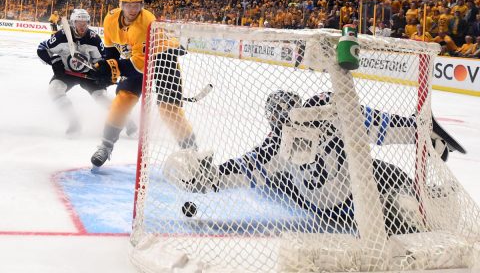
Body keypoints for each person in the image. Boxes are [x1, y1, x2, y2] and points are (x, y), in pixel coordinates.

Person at [169, 90, 464, 234]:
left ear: (272, 120)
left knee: (277, 179)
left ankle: (402, 201)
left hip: (327, 210)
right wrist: (417, 132)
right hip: (354, 196)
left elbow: (245, 171)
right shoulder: (328, 118)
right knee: (379, 166)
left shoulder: (274, 147)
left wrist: (205, 181)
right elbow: (376, 126)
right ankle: (415, 170)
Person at [89, 0, 198, 168]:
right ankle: (106, 146)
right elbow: (111, 53)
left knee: (168, 110)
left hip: (163, 58)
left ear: (142, 4)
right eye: (129, 5)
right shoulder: (110, 19)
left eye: (137, 5)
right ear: (121, 4)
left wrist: (112, 70)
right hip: (136, 59)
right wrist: (107, 70)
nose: (133, 9)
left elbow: (139, 66)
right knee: (122, 100)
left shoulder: (146, 22)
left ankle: (193, 153)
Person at [37, 9, 137, 137]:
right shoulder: (61, 36)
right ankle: (74, 122)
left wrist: (102, 74)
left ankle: (126, 121)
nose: (82, 26)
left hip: (89, 75)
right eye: (79, 23)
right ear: (73, 23)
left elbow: (104, 60)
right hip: (65, 72)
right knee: (54, 90)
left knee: (101, 97)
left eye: (85, 23)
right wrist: (55, 61)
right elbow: (42, 49)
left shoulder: (94, 39)